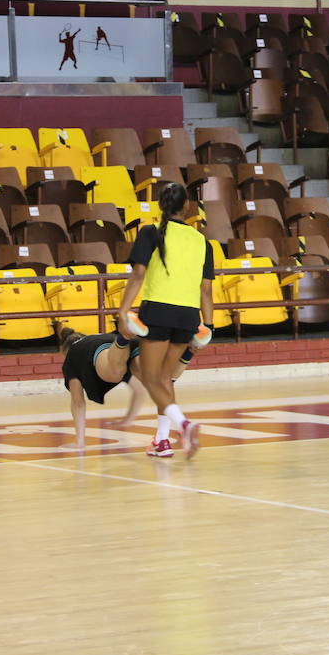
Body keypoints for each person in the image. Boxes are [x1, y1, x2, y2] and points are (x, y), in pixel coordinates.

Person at [116, 182, 215, 458]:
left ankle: (183, 424)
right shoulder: (201, 241)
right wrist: (209, 326)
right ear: (187, 207)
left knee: (149, 377)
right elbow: (206, 290)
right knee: (165, 379)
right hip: (188, 316)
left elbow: (137, 275)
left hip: (158, 311)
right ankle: (162, 441)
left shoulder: (150, 232)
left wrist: (123, 311)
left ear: (161, 205)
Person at [60, 328, 144, 450]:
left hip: (104, 351)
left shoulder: (72, 356)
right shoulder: (92, 339)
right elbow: (140, 391)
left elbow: (78, 403)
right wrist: (128, 420)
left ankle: (124, 337)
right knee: (155, 381)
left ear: (64, 350)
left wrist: (80, 441)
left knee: (115, 373)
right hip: (121, 345)